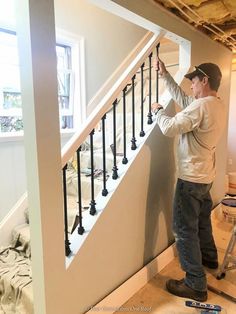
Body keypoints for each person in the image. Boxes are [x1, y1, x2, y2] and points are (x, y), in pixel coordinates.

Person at [152, 59, 226, 302]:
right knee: (202, 221)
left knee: (184, 230)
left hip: (190, 179)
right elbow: (185, 101)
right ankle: (209, 259)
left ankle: (195, 283)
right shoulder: (216, 105)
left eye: (194, 81)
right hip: (206, 178)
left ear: (204, 80)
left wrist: (157, 111)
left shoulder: (200, 107)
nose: (191, 86)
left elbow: (170, 128)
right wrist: (164, 75)